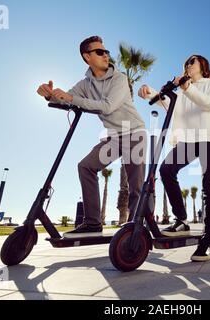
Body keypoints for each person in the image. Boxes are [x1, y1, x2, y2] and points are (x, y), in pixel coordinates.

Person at [37, 35, 146, 237]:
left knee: (135, 187)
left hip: (133, 134)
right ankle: (93, 223)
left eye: (106, 52)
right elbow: (65, 99)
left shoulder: (120, 79)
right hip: (113, 137)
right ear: (87, 57)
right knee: (85, 166)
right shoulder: (85, 84)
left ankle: (135, 230)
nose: (106, 55)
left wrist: (71, 98)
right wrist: (48, 94)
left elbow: (107, 106)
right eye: (99, 52)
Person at [138, 55, 210, 261]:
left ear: (203, 65)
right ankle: (182, 219)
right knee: (166, 170)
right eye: (185, 63)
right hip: (188, 141)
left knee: (208, 186)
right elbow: (166, 102)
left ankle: (207, 239)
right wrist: (149, 92)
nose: (187, 65)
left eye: (192, 61)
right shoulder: (183, 91)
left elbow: (209, 103)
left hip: (209, 139)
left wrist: (186, 87)